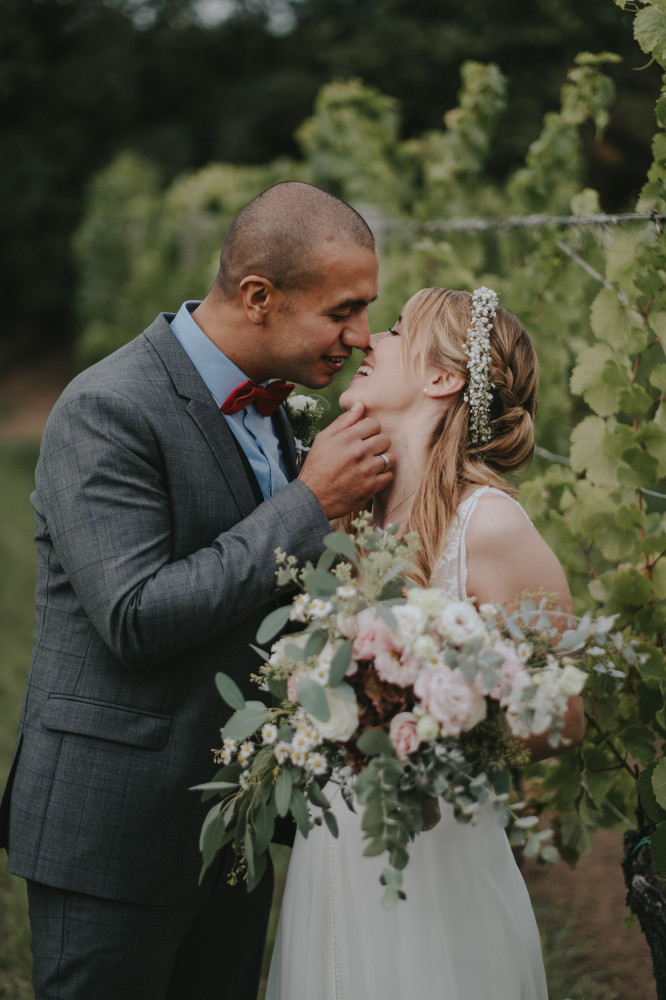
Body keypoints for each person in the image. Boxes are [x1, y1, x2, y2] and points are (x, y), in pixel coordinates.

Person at [0, 181, 395, 1000]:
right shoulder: (108, 408)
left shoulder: (277, 408)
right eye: (343, 311)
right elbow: (136, 616)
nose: (360, 338)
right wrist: (310, 503)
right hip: (116, 825)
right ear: (260, 297)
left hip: (236, 820)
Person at [265, 286, 585, 1000]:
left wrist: (433, 715)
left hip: (437, 856)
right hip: (337, 849)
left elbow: (564, 722)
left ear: (443, 378)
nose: (369, 340)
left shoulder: (491, 527)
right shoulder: (351, 509)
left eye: (399, 329)